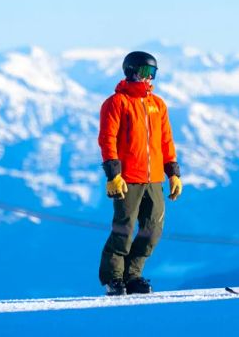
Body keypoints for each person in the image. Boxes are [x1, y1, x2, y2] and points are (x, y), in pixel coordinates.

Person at [98, 51, 183, 295]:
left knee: (152, 230)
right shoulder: (117, 102)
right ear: (131, 71)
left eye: (152, 73)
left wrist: (173, 173)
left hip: (154, 179)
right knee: (124, 229)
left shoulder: (157, 104)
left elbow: (166, 140)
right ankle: (113, 277)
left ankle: (132, 275)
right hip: (128, 179)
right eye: (146, 72)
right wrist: (113, 174)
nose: (149, 78)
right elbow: (107, 139)